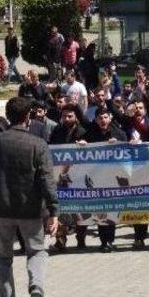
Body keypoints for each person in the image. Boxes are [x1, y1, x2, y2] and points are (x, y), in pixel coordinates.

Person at [0, 97, 58, 297]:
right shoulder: (38, 144)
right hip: (31, 210)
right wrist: (53, 210)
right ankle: (36, 286)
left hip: (2, 210)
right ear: (28, 117)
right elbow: (47, 179)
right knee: (36, 251)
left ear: (8, 116)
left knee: (2, 257)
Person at [84, 108, 128, 252]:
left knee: (112, 211)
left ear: (109, 118)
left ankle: (110, 240)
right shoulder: (90, 135)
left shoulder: (119, 133)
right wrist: (83, 145)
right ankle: (104, 242)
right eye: (100, 118)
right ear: (96, 120)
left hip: (114, 177)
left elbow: (128, 154)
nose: (103, 120)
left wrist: (119, 144)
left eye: (105, 117)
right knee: (101, 210)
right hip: (97, 178)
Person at [49, 104, 88, 251]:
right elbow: (51, 148)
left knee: (79, 208)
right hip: (60, 177)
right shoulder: (58, 130)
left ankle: (81, 239)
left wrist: (86, 145)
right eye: (64, 116)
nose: (66, 119)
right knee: (60, 209)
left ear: (76, 116)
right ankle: (60, 240)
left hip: (79, 176)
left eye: (69, 116)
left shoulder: (83, 131)